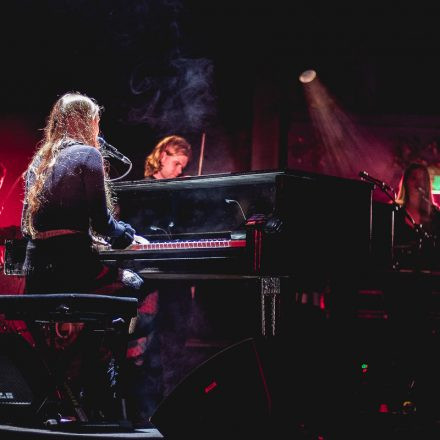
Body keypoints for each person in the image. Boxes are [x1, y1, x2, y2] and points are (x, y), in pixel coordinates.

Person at [20, 91, 157, 425]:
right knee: (135, 285)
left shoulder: (40, 160)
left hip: (37, 271)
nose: (98, 128)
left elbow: (30, 227)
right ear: (87, 122)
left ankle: (73, 391)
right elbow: (101, 221)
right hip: (72, 267)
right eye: (97, 121)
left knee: (93, 312)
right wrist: (127, 237)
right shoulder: (88, 155)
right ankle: (101, 389)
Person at [384, 162, 440, 418]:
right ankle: (398, 399)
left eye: (422, 180)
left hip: (429, 295)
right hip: (400, 293)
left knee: (427, 347)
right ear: (405, 183)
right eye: (413, 179)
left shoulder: (436, 218)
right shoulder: (394, 216)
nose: (418, 184)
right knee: (400, 344)